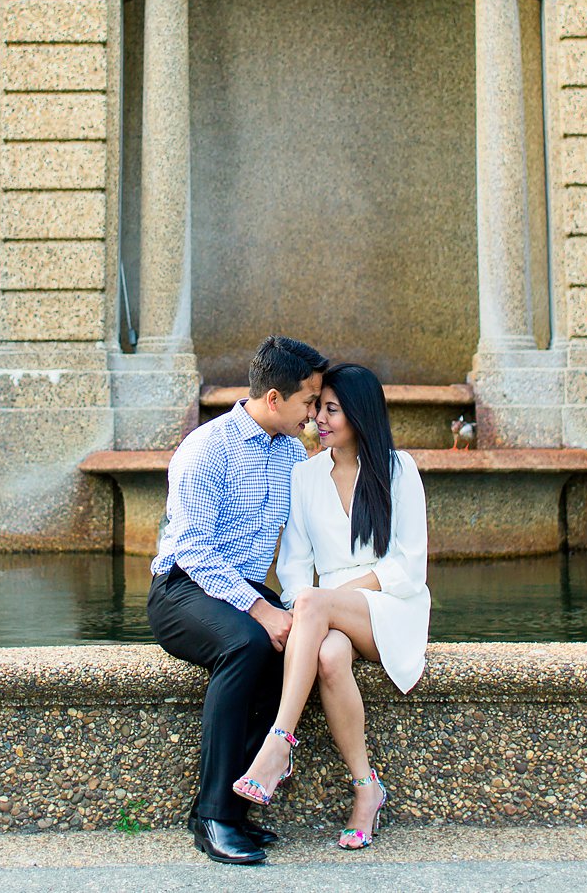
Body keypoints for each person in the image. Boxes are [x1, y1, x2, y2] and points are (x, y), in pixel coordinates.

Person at [233, 363, 429, 852]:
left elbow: (410, 566)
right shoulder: (305, 474)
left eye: (332, 410)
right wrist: (316, 606)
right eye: (318, 407)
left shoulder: (399, 469)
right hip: (332, 617)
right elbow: (295, 567)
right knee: (328, 656)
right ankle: (367, 790)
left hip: (393, 606)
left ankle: (279, 742)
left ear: (360, 415)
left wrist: (334, 598)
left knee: (313, 602)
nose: (318, 418)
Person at [148, 336, 327, 867]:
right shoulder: (207, 449)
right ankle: (213, 816)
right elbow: (192, 550)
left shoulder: (292, 451)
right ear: (275, 399)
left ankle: (239, 802)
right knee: (250, 644)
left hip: (243, 592)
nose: (313, 413)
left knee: (296, 647)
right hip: (183, 590)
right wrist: (261, 609)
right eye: (308, 402)